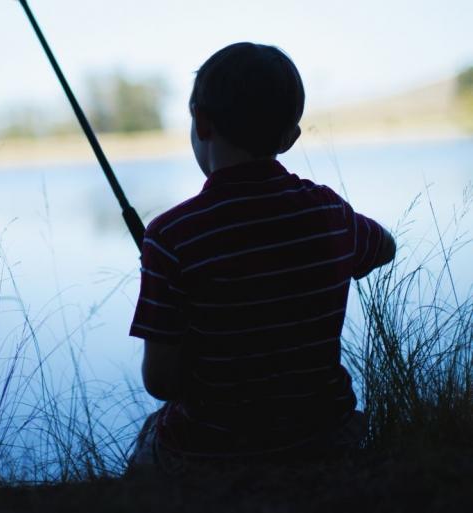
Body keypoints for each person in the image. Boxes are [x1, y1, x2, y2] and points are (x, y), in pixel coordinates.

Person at [127, 42, 396, 474]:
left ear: (201, 122)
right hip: (326, 436)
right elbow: (384, 248)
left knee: (150, 434)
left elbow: (160, 383)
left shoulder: (170, 236)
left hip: (213, 453)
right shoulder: (329, 212)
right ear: (290, 138)